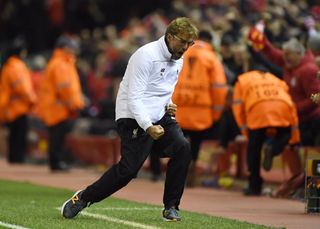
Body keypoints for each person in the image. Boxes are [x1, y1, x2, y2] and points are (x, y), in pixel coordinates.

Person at [61, 17, 198, 221]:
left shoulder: (179, 56)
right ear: (170, 36)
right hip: (132, 115)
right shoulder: (145, 55)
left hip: (160, 115)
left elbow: (164, 87)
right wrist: (147, 126)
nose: (186, 47)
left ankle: (171, 207)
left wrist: (168, 103)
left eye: (190, 43)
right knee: (128, 171)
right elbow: (135, 97)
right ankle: (82, 198)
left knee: (183, 148)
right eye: (183, 41)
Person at [172, 30, 228, 187]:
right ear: (210, 41)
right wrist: (216, 113)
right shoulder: (212, 58)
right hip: (201, 111)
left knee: (179, 141)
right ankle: (191, 173)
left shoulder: (181, 54)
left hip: (179, 109)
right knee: (195, 143)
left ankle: (176, 174)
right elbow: (219, 88)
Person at [232, 70, 300, 196]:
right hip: (282, 107)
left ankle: (254, 186)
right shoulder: (276, 79)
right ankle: (273, 148)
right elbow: (291, 106)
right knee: (285, 134)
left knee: (254, 150)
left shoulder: (242, 81)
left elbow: (238, 108)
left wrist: (246, 132)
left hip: (258, 110)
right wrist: (294, 139)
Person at [37, 35, 85, 171]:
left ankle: (56, 162)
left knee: (56, 136)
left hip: (55, 106)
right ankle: (57, 163)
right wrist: (75, 105)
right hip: (59, 107)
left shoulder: (57, 62)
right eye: (71, 47)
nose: (74, 50)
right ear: (65, 48)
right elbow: (64, 88)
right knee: (57, 136)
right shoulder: (61, 64)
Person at [0, 37, 37, 163]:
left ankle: (13, 161)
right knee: (19, 138)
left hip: (9, 108)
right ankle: (17, 162)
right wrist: (32, 100)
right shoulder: (17, 66)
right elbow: (23, 87)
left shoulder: (7, 66)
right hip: (19, 108)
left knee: (13, 138)